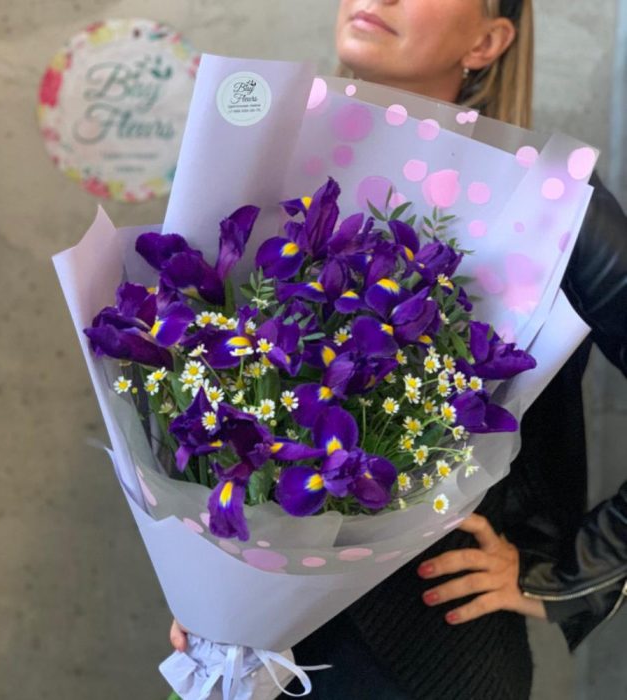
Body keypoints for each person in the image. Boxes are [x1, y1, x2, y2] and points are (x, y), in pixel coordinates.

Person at [171, 2, 627, 697]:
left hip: (430, 649)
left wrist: (573, 573)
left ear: (487, 40)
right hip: (250, 642)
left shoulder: (551, 203)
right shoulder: (257, 154)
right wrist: (201, 573)